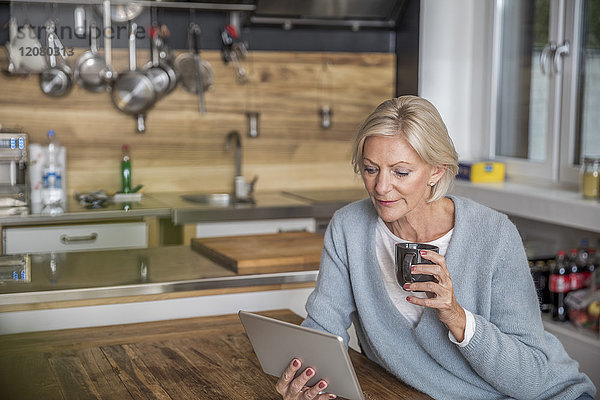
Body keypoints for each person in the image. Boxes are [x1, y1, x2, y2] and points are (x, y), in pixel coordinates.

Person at [275, 96, 596, 400]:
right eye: (371, 169)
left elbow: (531, 378)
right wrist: (303, 380)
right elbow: (323, 329)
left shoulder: (494, 236)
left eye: (400, 171)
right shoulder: (349, 228)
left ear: (436, 171)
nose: (381, 187)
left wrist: (456, 316)